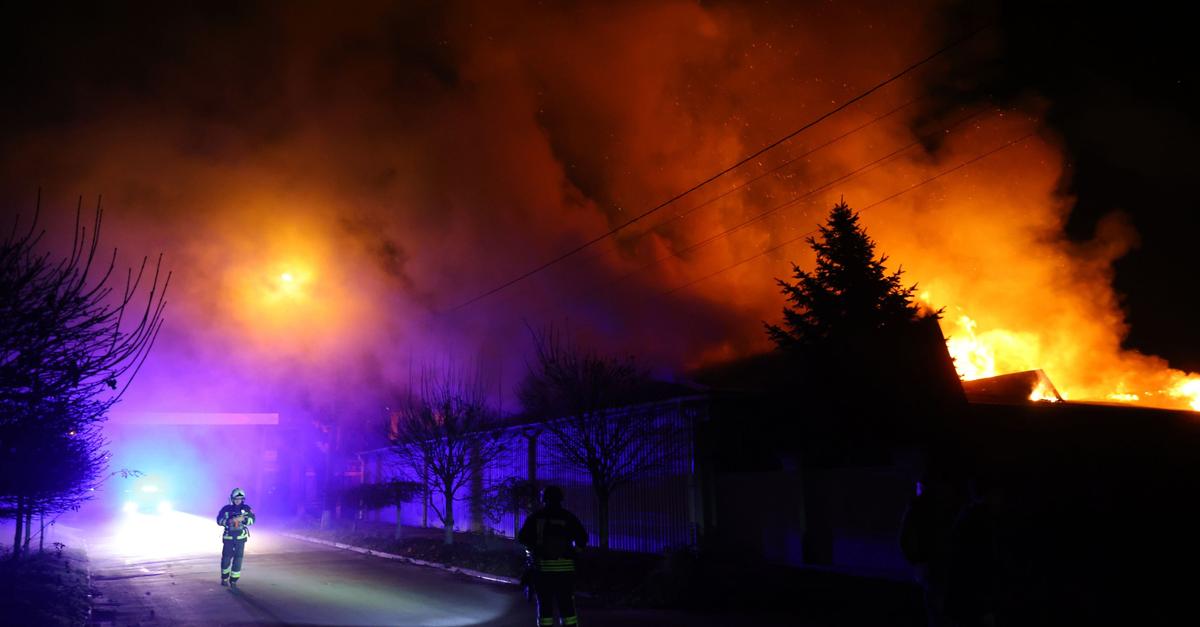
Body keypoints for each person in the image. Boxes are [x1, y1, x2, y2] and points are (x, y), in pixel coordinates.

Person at [517, 486, 588, 627]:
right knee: (567, 606)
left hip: (543, 570)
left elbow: (523, 538)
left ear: (544, 499)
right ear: (561, 499)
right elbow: (582, 538)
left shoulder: (536, 517)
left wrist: (533, 552)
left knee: (545, 607)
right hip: (566, 571)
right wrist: (574, 554)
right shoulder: (569, 517)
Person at [900, 473, 958, 627]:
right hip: (943, 564)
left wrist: (915, 560)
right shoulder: (945, 506)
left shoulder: (917, 506)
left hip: (930, 564)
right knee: (942, 608)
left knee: (935, 609)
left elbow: (905, 536)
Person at [216, 487, 256, 589]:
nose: (238, 501)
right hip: (228, 538)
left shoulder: (246, 509)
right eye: (236, 499)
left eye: (240, 499)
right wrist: (229, 521)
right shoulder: (226, 509)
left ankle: (233, 580)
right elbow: (219, 520)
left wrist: (244, 519)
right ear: (232, 499)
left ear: (243, 499)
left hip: (240, 539)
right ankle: (224, 578)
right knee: (226, 559)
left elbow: (252, 519)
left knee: (238, 560)